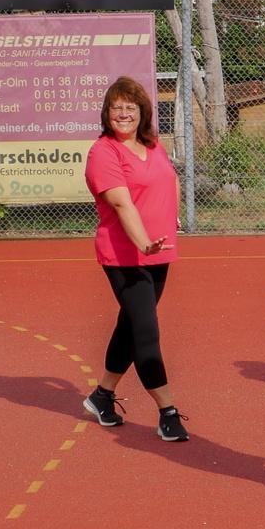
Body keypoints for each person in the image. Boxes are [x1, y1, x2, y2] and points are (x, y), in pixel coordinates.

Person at [82, 76, 189, 442]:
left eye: (131, 107)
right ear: (106, 114)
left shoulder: (152, 144)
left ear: (142, 111)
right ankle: (168, 410)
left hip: (160, 250)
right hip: (125, 255)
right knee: (146, 331)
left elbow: (170, 179)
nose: (124, 113)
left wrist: (172, 216)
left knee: (130, 326)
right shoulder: (104, 152)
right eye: (117, 108)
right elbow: (120, 202)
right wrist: (143, 243)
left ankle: (102, 395)